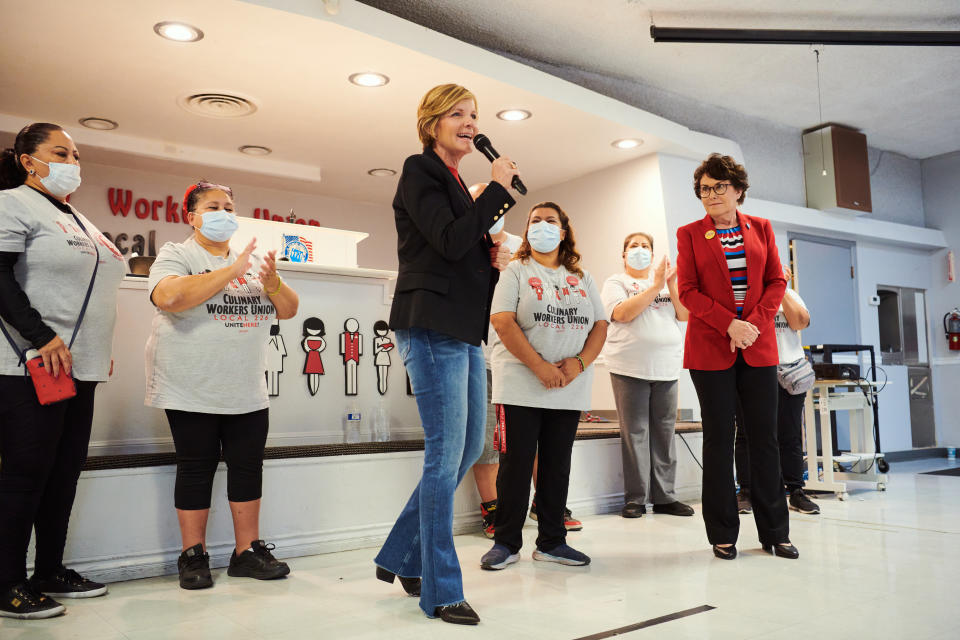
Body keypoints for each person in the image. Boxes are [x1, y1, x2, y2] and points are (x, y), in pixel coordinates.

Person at [374, 83, 520, 626]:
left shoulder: (458, 184)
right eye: (457, 113)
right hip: (430, 325)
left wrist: (493, 254)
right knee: (444, 453)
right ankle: (440, 589)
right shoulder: (421, 170)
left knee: (462, 453)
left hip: (462, 329)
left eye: (474, 114)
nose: (469, 122)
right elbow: (449, 242)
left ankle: (399, 555)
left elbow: (462, 245)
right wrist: (497, 194)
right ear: (431, 121)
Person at [146, 180, 300, 590]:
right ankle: (193, 555)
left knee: (247, 468)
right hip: (190, 385)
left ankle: (246, 552)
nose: (225, 214)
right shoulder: (176, 254)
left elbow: (288, 310)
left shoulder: (249, 261)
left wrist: (272, 283)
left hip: (246, 387)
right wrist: (232, 269)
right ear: (191, 217)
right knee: (195, 468)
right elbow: (170, 298)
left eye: (230, 207)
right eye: (213, 206)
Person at [0, 123, 125, 619]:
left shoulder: (77, 218)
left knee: (63, 475)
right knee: (26, 475)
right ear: (28, 159)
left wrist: (94, 344)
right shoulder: (11, 204)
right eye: (59, 152)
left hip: (78, 368)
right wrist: (42, 336)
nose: (72, 161)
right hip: (29, 364)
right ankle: (6, 582)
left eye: (75, 153)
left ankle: (48, 570)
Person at [676, 153, 798, 560]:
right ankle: (722, 533)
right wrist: (729, 324)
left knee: (765, 440)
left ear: (738, 190)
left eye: (718, 187)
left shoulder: (761, 229)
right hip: (711, 348)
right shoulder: (690, 234)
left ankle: (775, 531)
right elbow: (689, 291)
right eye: (704, 189)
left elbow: (776, 281)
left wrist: (753, 326)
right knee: (718, 439)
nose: (710, 195)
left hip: (758, 347)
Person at [481, 202, 607, 571]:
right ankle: (506, 542)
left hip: (568, 386)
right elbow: (503, 321)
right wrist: (539, 366)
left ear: (564, 231)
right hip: (521, 383)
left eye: (550, 221)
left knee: (556, 466)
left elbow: (600, 325)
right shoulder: (516, 271)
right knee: (515, 465)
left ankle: (552, 541)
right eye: (535, 221)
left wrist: (579, 363)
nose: (542, 226)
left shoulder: (581, 276)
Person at [601, 232, 694, 519]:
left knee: (665, 432)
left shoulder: (665, 284)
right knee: (636, 432)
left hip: (666, 367)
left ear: (653, 255)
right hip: (629, 366)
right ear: (623, 253)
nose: (639, 250)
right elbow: (623, 314)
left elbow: (683, 314)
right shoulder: (616, 282)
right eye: (633, 246)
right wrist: (655, 285)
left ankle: (665, 497)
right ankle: (636, 498)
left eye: (645, 247)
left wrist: (671, 283)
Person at [735, 266, 818, 515]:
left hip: (789, 371)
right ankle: (746, 491)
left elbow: (801, 322)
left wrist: (780, 289)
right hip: (753, 370)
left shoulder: (789, 294)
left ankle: (795, 490)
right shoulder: (745, 297)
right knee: (746, 433)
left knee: (790, 434)